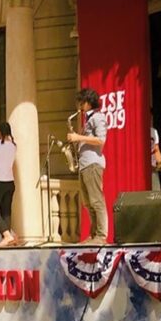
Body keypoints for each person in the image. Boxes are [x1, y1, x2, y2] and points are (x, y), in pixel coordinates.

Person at [68, 88, 108, 245]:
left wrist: (78, 137)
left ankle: (101, 235)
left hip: (92, 163)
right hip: (85, 164)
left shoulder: (98, 117)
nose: (79, 105)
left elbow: (101, 140)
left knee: (96, 199)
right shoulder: (88, 119)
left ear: (88, 102)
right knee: (88, 202)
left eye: (81, 102)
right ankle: (93, 234)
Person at [150, 122, 161, 191]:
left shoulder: (154, 131)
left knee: (156, 193)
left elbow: (156, 149)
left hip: (153, 170)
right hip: (142, 170)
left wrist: (160, 162)